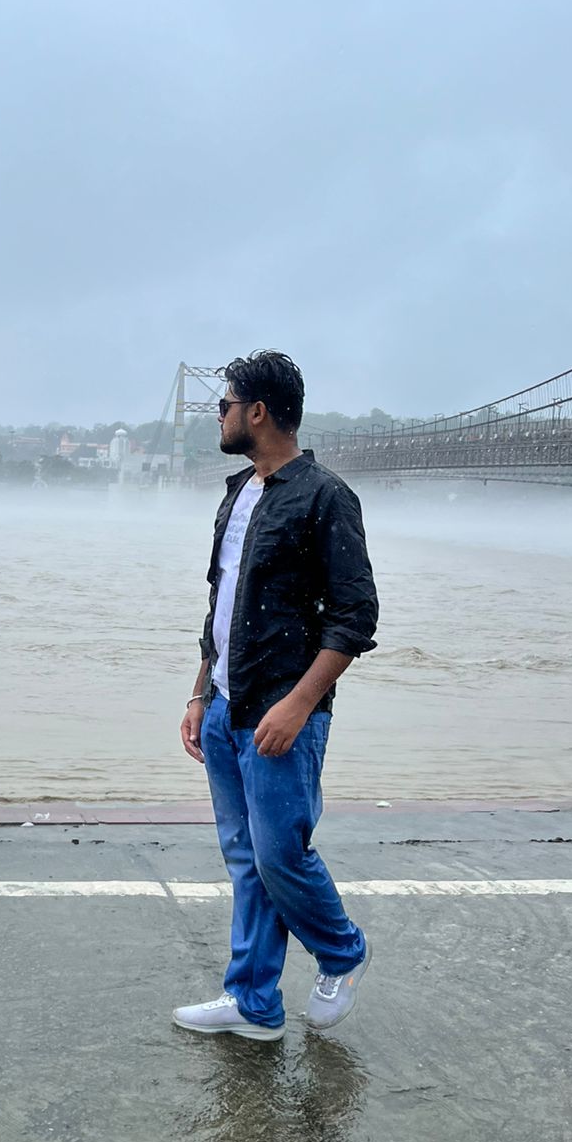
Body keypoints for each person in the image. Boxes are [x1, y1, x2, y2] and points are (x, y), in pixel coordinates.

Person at [173, 350, 378, 1042]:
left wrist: (298, 704)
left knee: (279, 855)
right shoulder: (238, 492)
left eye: (225, 404)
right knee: (244, 856)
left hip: (282, 714)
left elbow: (356, 617)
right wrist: (201, 693)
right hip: (229, 706)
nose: (219, 415)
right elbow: (220, 606)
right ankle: (255, 1003)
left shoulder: (325, 496)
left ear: (257, 412)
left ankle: (344, 951)